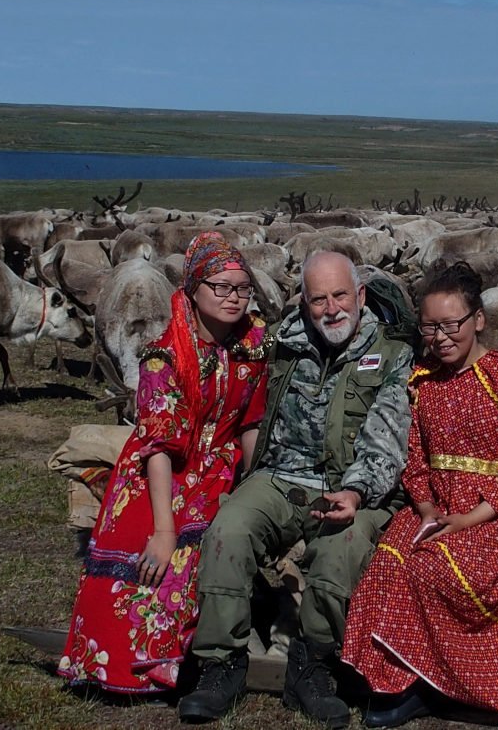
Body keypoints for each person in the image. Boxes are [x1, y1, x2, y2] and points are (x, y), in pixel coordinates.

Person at [342, 262, 498, 727]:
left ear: (478, 320)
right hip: (438, 509)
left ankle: (463, 681)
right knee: (390, 567)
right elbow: (414, 460)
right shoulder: (422, 383)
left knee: (438, 568)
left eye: (450, 325)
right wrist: (425, 508)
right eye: (430, 327)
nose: (440, 337)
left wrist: (467, 519)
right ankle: (407, 682)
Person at [178, 251, 414, 727]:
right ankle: (221, 663)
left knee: (340, 550)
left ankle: (313, 665)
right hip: (281, 477)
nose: (332, 309)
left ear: (360, 295)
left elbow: (387, 436)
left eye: (341, 295)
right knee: (231, 528)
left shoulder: (391, 354)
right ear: (304, 304)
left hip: (354, 487)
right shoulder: (282, 344)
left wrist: (357, 491)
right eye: (319, 299)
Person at [57, 232, 270, 695]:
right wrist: (164, 527)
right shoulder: (164, 356)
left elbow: (251, 420)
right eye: (222, 287)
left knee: (197, 550)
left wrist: (258, 480)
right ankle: (122, 662)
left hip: (219, 464)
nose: (234, 298)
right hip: (162, 466)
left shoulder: (252, 344)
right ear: (194, 289)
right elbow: (159, 446)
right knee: (149, 543)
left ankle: (173, 657)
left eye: (242, 288)